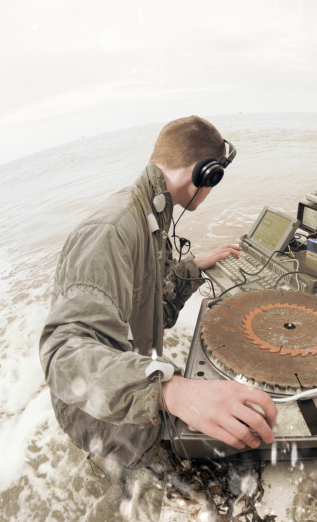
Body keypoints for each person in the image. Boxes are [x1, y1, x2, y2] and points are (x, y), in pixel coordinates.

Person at [39, 116, 278, 469]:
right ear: (206, 173)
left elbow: (154, 313)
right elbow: (63, 356)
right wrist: (169, 390)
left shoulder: (150, 216)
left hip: (128, 397)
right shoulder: (112, 230)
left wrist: (191, 268)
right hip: (107, 420)